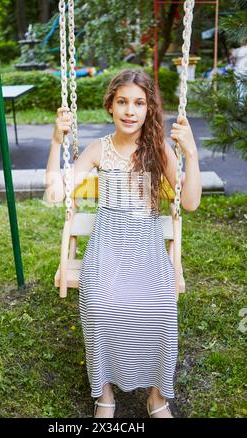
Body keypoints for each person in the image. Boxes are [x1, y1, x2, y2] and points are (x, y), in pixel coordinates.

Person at [45, 69, 202, 418]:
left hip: (145, 246)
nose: (130, 110)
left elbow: (189, 203)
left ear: (149, 109)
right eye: (123, 102)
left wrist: (191, 154)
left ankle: (157, 397)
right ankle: (105, 392)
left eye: (139, 102)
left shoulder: (158, 149)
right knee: (99, 303)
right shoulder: (98, 149)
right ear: (111, 106)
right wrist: (57, 142)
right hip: (108, 247)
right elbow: (56, 193)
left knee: (162, 305)